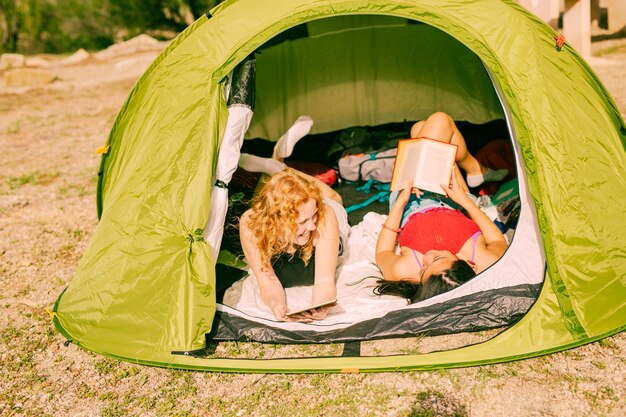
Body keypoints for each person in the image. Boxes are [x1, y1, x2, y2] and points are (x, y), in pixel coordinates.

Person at [374, 112, 509, 303]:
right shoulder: (483, 260)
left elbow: (383, 253)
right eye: (438, 259)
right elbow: (497, 240)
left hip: (411, 197)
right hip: (454, 197)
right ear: (469, 265)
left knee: (424, 128)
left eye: (423, 270)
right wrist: (465, 201)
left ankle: (476, 170)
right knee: (436, 124)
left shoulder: (405, 272)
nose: (428, 257)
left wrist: (400, 203)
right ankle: (475, 170)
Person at [237, 116, 349, 322]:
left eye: (312, 218)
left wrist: (320, 308)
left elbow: (324, 281)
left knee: (334, 198)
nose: (312, 225)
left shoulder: (323, 216)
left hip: (327, 208)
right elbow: (267, 283)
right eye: (303, 222)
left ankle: (276, 165)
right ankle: (275, 165)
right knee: (271, 195)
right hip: (277, 211)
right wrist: (276, 306)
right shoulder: (251, 224)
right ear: (276, 221)